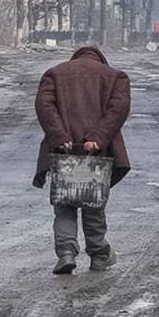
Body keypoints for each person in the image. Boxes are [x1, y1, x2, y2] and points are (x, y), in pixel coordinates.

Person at [33, 46, 131, 275]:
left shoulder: (54, 74)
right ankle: (99, 255)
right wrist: (97, 138)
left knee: (64, 205)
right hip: (97, 153)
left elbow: (44, 107)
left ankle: (66, 252)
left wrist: (60, 137)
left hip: (64, 152)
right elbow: (118, 109)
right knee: (93, 204)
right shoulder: (115, 77)